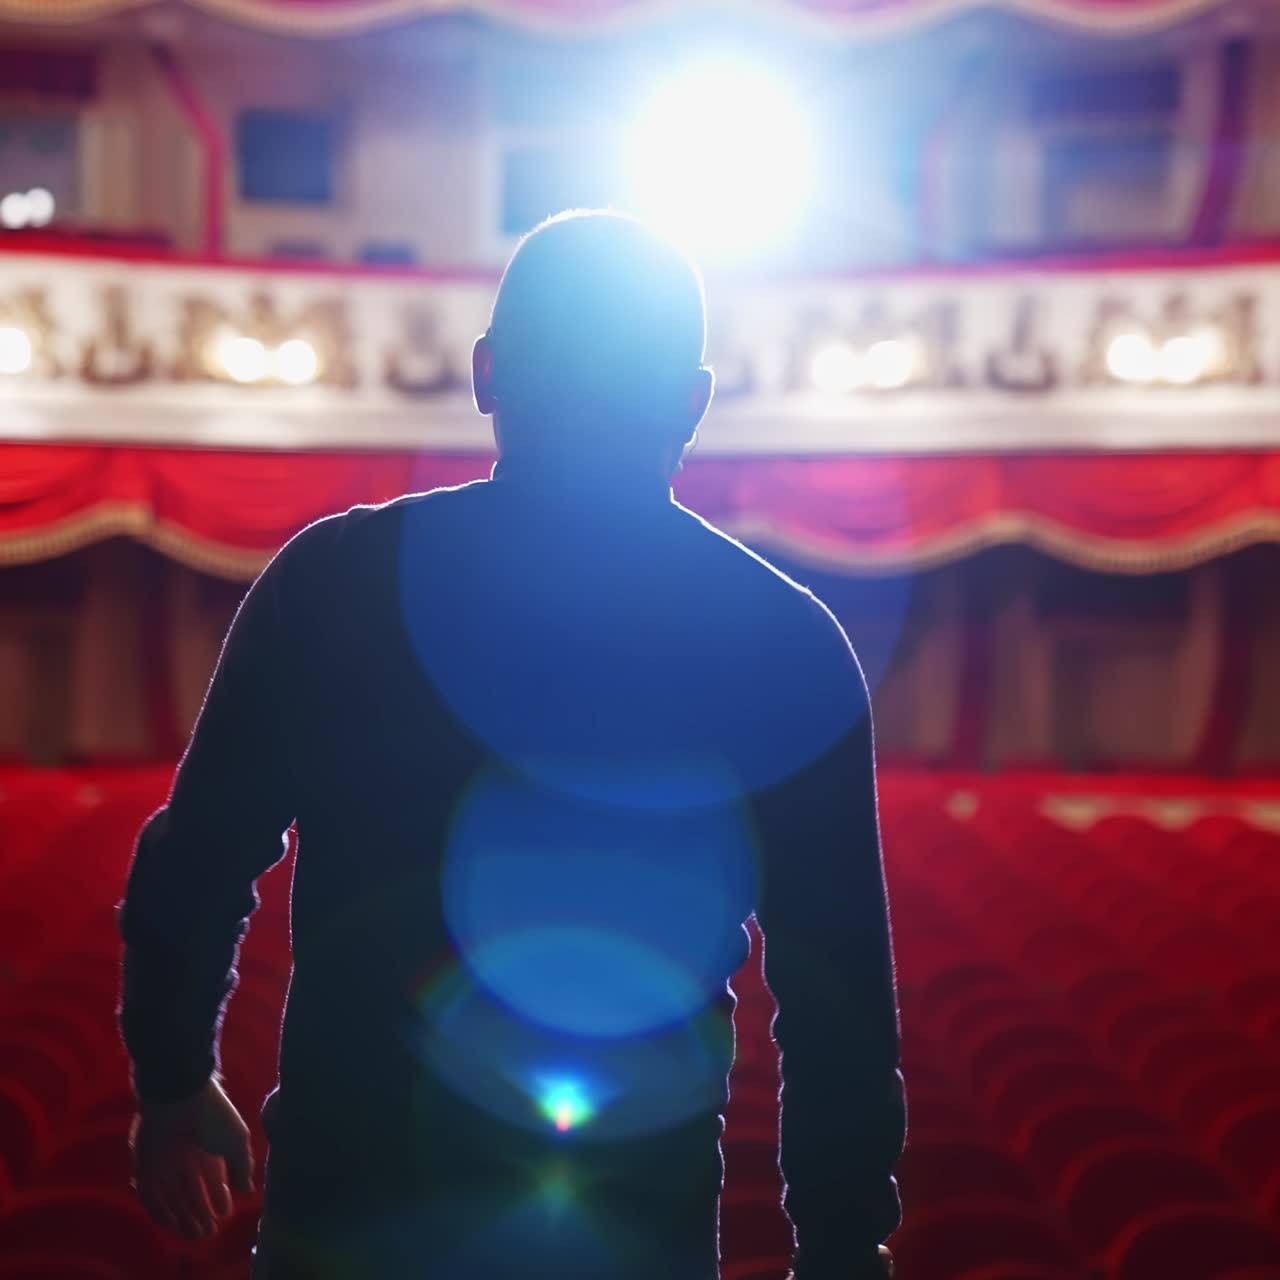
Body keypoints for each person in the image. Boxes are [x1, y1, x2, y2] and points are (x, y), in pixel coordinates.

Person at [118, 210, 905, 1280]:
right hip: (628, 1225)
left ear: (487, 374)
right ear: (691, 403)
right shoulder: (786, 641)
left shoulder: (333, 582)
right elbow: (836, 996)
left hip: (350, 1217)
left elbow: (195, 863)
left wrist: (172, 1078)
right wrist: (844, 1242)